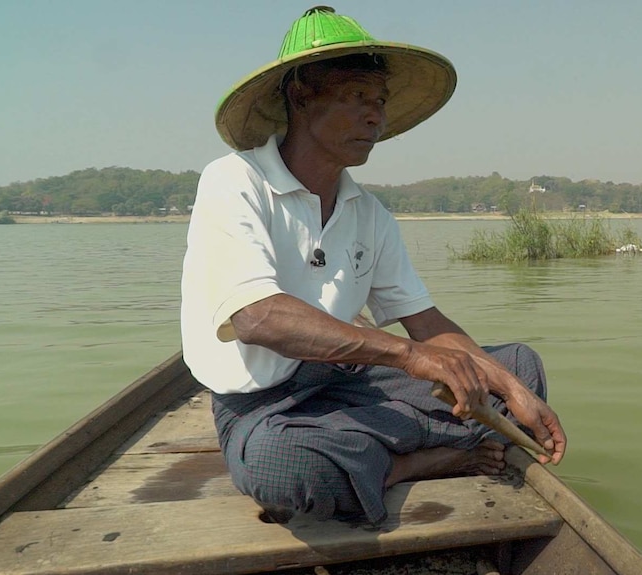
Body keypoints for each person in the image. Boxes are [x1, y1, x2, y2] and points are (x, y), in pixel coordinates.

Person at [181, 6, 566, 526]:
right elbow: (258, 317)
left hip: (349, 384)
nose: (375, 116)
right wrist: (411, 358)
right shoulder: (234, 182)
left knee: (520, 363)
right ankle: (407, 464)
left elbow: (426, 324)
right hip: (266, 408)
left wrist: (508, 388)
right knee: (282, 466)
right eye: (357, 96)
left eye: (380, 101)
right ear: (300, 96)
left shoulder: (369, 212)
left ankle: (372, 459)